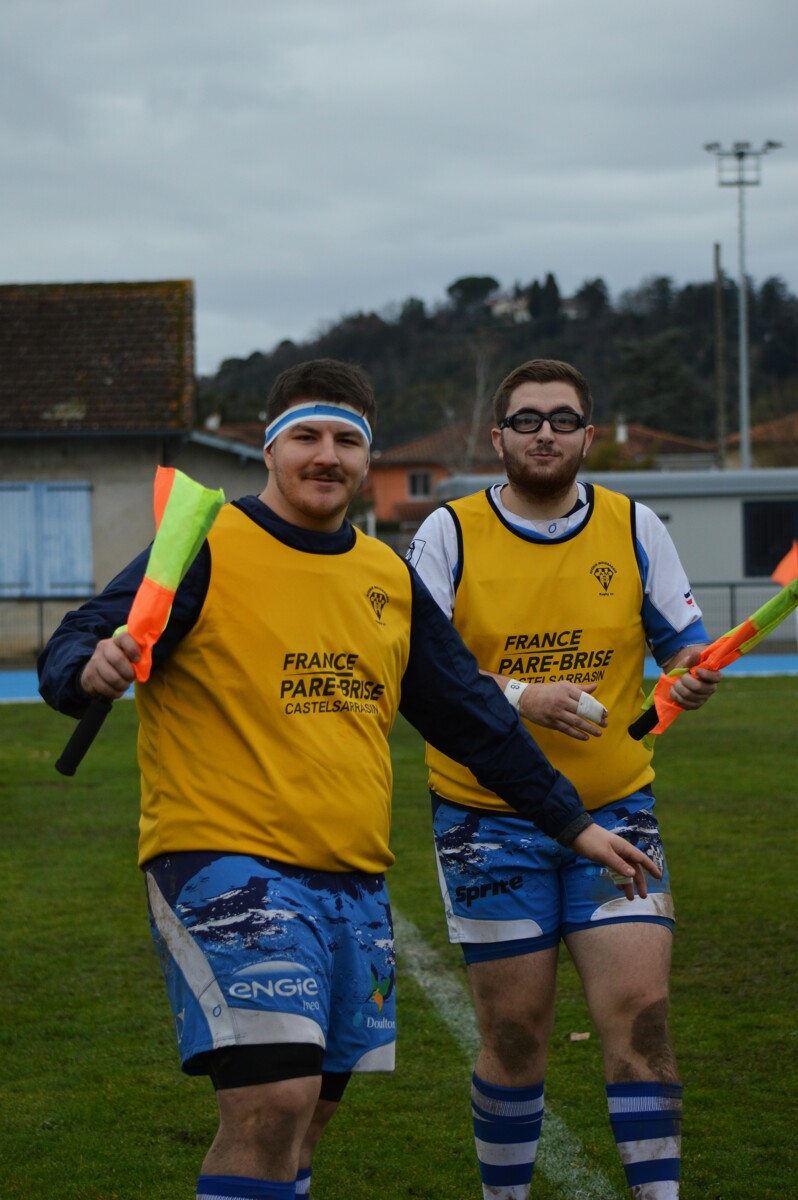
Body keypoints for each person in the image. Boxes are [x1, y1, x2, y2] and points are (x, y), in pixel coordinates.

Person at [38, 359, 659, 1200]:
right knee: (273, 1102)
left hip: (353, 881)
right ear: (269, 449)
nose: (326, 455)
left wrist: (575, 825)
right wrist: (88, 668)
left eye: (347, 440)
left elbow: (475, 718)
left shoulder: (386, 576)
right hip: (223, 861)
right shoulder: (208, 546)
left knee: (307, 1120)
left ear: (367, 458)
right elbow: (80, 635)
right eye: (306, 436)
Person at [407, 358, 721, 1200]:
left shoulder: (634, 524)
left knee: (642, 1018)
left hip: (617, 810)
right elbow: (419, 670)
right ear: (498, 436)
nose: (544, 433)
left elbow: (682, 644)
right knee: (515, 1033)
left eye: (562, 418)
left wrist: (690, 672)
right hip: (486, 819)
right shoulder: (448, 533)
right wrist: (522, 697)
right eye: (526, 419)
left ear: (588, 434)